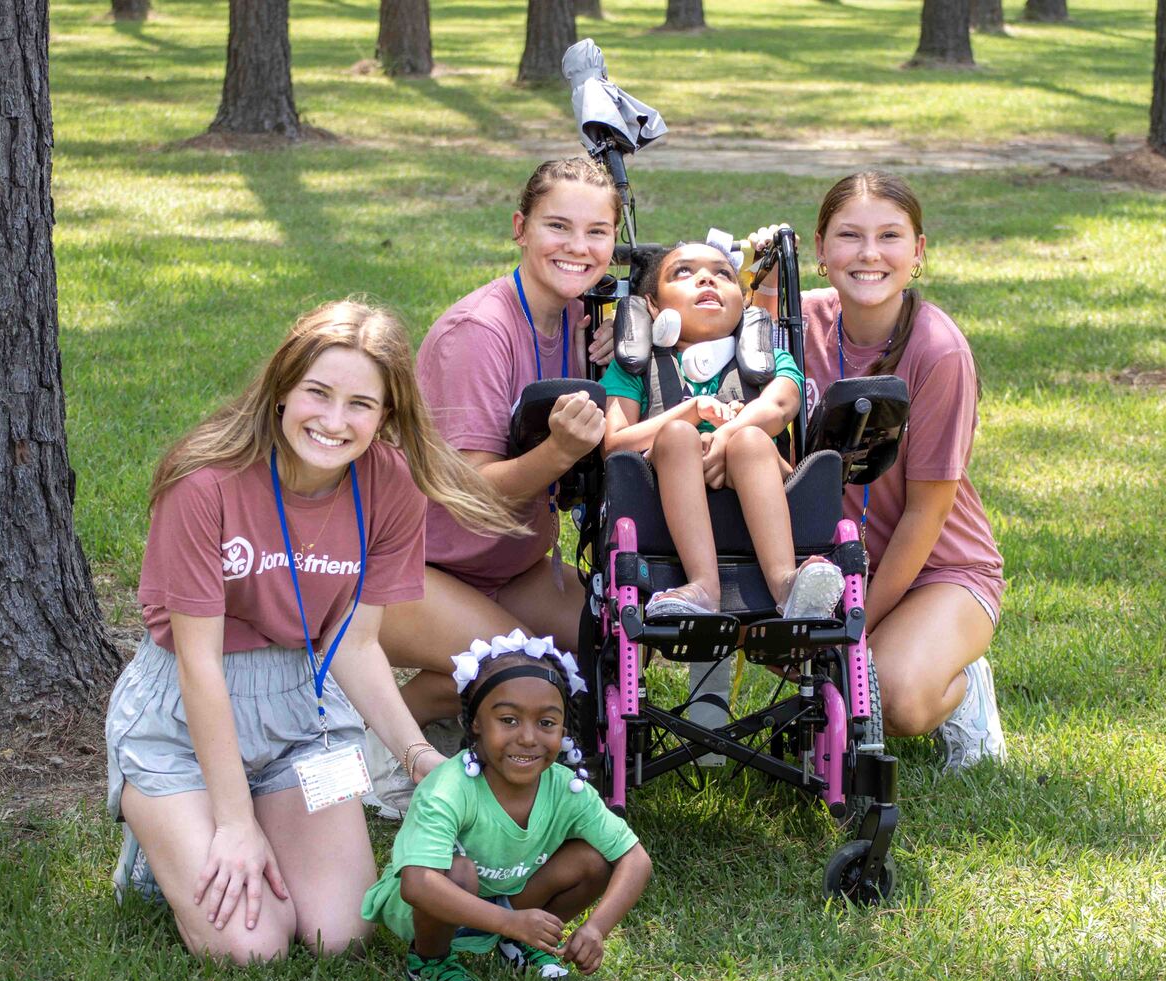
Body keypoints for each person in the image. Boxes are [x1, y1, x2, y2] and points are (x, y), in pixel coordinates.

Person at [104, 299, 522, 964]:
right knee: (252, 948)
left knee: (339, 933)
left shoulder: (389, 486)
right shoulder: (204, 481)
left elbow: (353, 645)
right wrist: (235, 825)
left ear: (387, 415)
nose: (333, 421)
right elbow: (199, 665)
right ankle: (162, 836)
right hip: (187, 717)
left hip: (305, 710)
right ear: (281, 391)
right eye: (317, 394)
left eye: (360, 403)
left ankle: (245, 824)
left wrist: (421, 761)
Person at [751, 171, 1007, 771]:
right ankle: (856, 666)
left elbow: (928, 512)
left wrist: (855, 626)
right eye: (849, 236)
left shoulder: (938, 351)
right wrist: (760, 283)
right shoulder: (798, 320)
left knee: (896, 698)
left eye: (890, 236)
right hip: (826, 557)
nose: (869, 254)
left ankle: (965, 684)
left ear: (917, 252)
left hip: (938, 567)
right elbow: (705, 328)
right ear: (819, 249)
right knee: (762, 631)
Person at [379, 157, 621, 729]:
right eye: (557, 226)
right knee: (525, 673)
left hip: (508, 567)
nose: (578, 247)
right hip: (410, 569)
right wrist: (558, 453)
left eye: (597, 232)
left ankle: (454, 709)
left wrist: (643, 335)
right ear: (520, 228)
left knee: (608, 649)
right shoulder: (480, 333)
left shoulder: (581, 322)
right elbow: (471, 489)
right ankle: (374, 750)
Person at [362, 632, 652, 981]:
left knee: (593, 860)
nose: (529, 738)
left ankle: (519, 942)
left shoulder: (566, 788)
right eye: (509, 720)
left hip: (508, 900)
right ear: (475, 723)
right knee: (459, 871)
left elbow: (636, 859)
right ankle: (429, 961)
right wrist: (510, 921)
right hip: (428, 906)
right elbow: (417, 884)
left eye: (546, 723)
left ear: (563, 729)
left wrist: (596, 928)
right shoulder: (448, 787)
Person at [599, 241, 845, 621]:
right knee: (678, 436)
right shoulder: (634, 369)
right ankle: (703, 586)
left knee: (750, 439)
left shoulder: (768, 360)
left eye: (723, 273)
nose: (705, 279)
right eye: (683, 272)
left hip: (760, 484)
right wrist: (691, 411)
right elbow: (614, 445)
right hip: (662, 501)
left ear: (743, 302)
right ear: (652, 305)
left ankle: (787, 585)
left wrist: (724, 438)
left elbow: (780, 406)